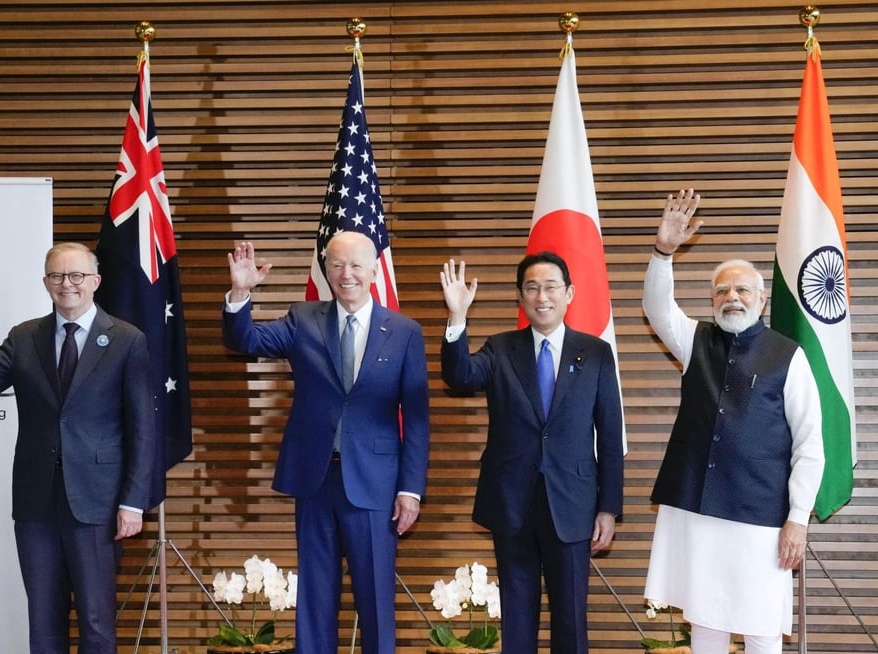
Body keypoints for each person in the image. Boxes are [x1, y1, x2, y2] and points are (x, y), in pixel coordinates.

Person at [0, 242, 157, 654]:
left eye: (76, 276)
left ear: (95, 282)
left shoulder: (126, 340)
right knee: (43, 623)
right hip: (37, 506)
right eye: (57, 276)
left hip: (98, 505)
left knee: (97, 623)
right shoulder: (24, 337)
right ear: (45, 283)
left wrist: (133, 502)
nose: (67, 284)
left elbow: (143, 429)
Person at [221, 232, 430, 654]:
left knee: (374, 598)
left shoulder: (405, 332)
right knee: (315, 596)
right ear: (325, 270)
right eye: (336, 264)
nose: (346, 274)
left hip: (375, 483)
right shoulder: (303, 319)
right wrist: (240, 294)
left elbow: (419, 418)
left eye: (356, 265)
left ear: (374, 270)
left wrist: (410, 489)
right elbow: (245, 342)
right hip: (315, 478)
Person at [642, 189, 826, 654]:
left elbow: (809, 443)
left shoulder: (789, 355)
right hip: (698, 510)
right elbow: (657, 309)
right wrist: (664, 252)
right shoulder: (694, 340)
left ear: (761, 301)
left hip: (761, 517)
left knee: (762, 626)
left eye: (742, 289)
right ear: (711, 301)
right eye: (721, 290)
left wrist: (798, 519)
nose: (731, 297)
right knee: (704, 624)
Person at [440, 252, 624, 654]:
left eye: (551, 287)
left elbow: (610, 435)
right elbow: (460, 377)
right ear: (521, 297)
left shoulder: (594, 353)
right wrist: (457, 319)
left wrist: (608, 508)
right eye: (532, 288)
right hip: (512, 502)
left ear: (569, 293)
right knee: (518, 618)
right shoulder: (501, 348)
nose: (542, 296)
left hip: (573, 504)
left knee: (571, 620)